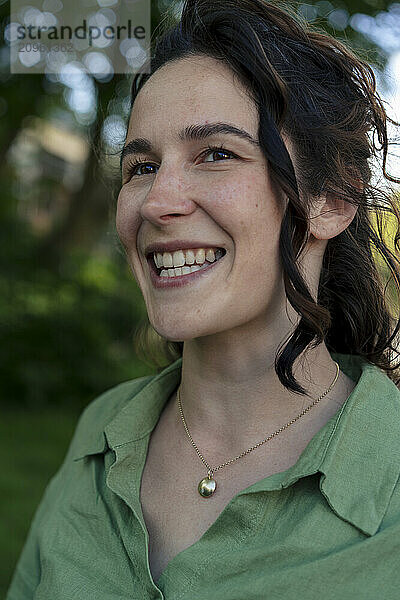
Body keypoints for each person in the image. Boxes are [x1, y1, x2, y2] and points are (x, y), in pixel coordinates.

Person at [7, 0, 400, 598]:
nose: (156, 201)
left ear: (333, 200)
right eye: (140, 165)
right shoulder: (99, 432)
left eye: (216, 153)